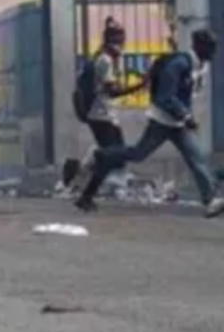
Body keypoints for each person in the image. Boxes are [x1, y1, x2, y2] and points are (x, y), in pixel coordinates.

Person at [75, 28, 224, 217]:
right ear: (199, 46)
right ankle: (101, 157)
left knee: (196, 159)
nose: (214, 51)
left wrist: (184, 116)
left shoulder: (200, 66)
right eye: (210, 47)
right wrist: (186, 116)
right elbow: (165, 97)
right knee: (138, 154)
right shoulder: (179, 64)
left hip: (176, 123)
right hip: (160, 121)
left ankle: (210, 201)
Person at [62, 18, 146, 191]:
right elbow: (112, 91)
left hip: (105, 114)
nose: (122, 46)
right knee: (115, 154)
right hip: (99, 114)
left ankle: (80, 175)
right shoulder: (105, 61)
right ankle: (81, 174)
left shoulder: (104, 58)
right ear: (112, 42)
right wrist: (140, 85)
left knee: (115, 152)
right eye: (120, 41)